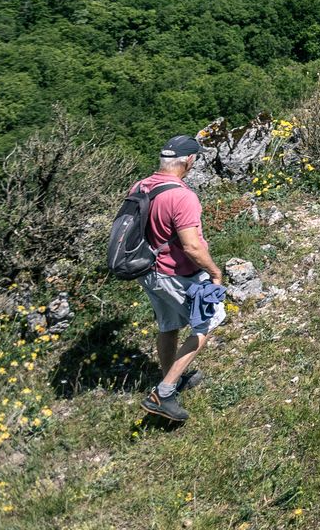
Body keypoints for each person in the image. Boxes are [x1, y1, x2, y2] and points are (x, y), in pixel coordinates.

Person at [134, 135, 226, 423]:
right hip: (173, 273)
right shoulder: (182, 196)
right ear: (188, 160)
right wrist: (215, 272)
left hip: (146, 271)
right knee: (210, 320)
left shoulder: (141, 186)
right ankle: (163, 392)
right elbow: (191, 246)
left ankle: (170, 377)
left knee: (169, 324)